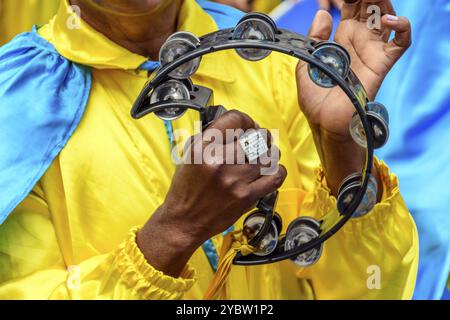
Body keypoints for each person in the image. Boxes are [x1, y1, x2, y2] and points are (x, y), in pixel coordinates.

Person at [0, 0, 417, 299]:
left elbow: (370, 290)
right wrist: (175, 231)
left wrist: (342, 145)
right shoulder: (18, 101)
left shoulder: (273, 60)